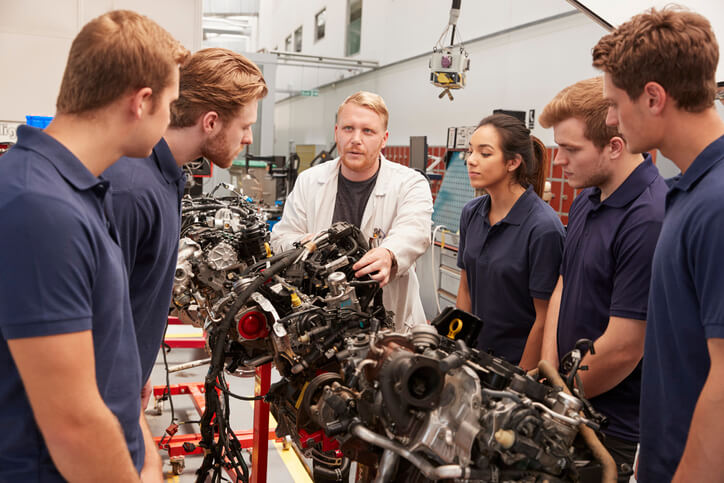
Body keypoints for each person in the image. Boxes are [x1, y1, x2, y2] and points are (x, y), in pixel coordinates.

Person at [0, 10, 187, 482]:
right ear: (141, 102)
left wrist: (143, 449)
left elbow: (109, 354)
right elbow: (73, 424)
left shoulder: (78, 192)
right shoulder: (38, 207)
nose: (170, 119)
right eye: (171, 104)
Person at [592, 8, 724, 482]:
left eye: (613, 103)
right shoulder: (691, 189)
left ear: (652, 97)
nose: (610, 118)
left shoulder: (717, 202)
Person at [102, 48, 267, 409]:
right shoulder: (132, 188)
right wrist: (117, 394)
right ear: (210, 122)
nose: (249, 139)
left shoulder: (165, 177)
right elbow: (96, 316)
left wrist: (139, 372)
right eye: (245, 126)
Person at [538, 76, 667, 480]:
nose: (558, 161)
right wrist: (548, 373)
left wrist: (557, 395)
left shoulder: (648, 218)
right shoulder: (588, 198)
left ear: (614, 146)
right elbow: (563, 284)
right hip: (565, 401)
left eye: (570, 149)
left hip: (607, 429)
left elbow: (625, 347)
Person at [271, 91, 433, 331]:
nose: (356, 139)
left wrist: (388, 253)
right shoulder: (310, 180)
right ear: (337, 132)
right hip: (320, 323)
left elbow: (415, 231)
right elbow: (281, 237)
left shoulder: (409, 183)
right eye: (348, 128)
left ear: (384, 138)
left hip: (389, 323)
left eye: (368, 131)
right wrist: (302, 244)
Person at [455, 113, 564, 369]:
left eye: (485, 153)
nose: (471, 161)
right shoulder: (471, 213)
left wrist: (518, 381)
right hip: (471, 359)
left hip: (513, 368)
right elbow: (466, 288)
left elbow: (545, 317)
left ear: (513, 162)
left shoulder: (543, 228)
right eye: (470, 151)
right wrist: (456, 349)